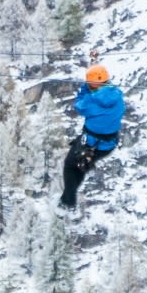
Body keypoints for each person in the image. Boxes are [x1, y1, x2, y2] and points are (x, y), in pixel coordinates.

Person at [59, 63, 124, 209]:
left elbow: (79, 106)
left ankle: (67, 201)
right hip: (108, 145)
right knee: (81, 166)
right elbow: (105, 92)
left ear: (93, 85)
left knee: (70, 165)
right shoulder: (118, 96)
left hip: (90, 142)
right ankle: (68, 200)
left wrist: (85, 89)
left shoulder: (91, 101)